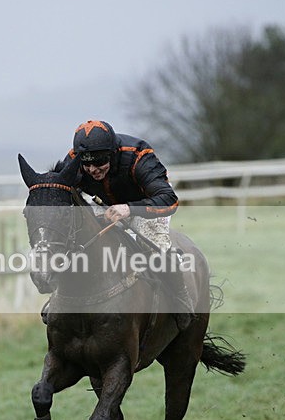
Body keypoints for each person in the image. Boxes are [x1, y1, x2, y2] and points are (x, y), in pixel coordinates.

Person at [58, 119, 192, 329]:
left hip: (146, 204)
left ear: (112, 153)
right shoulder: (74, 160)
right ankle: (60, 298)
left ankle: (181, 300)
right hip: (106, 205)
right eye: (87, 164)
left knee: (151, 244)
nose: (92, 170)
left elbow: (170, 200)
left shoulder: (138, 156)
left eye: (99, 162)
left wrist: (130, 209)